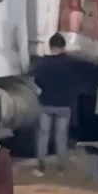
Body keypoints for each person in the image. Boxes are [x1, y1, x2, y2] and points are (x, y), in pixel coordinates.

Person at [32, 33, 77, 177]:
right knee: (61, 137)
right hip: (64, 106)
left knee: (43, 136)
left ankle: (41, 169)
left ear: (50, 46)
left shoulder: (44, 63)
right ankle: (61, 170)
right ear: (63, 47)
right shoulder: (70, 64)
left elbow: (37, 81)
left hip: (46, 104)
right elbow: (75, 84)